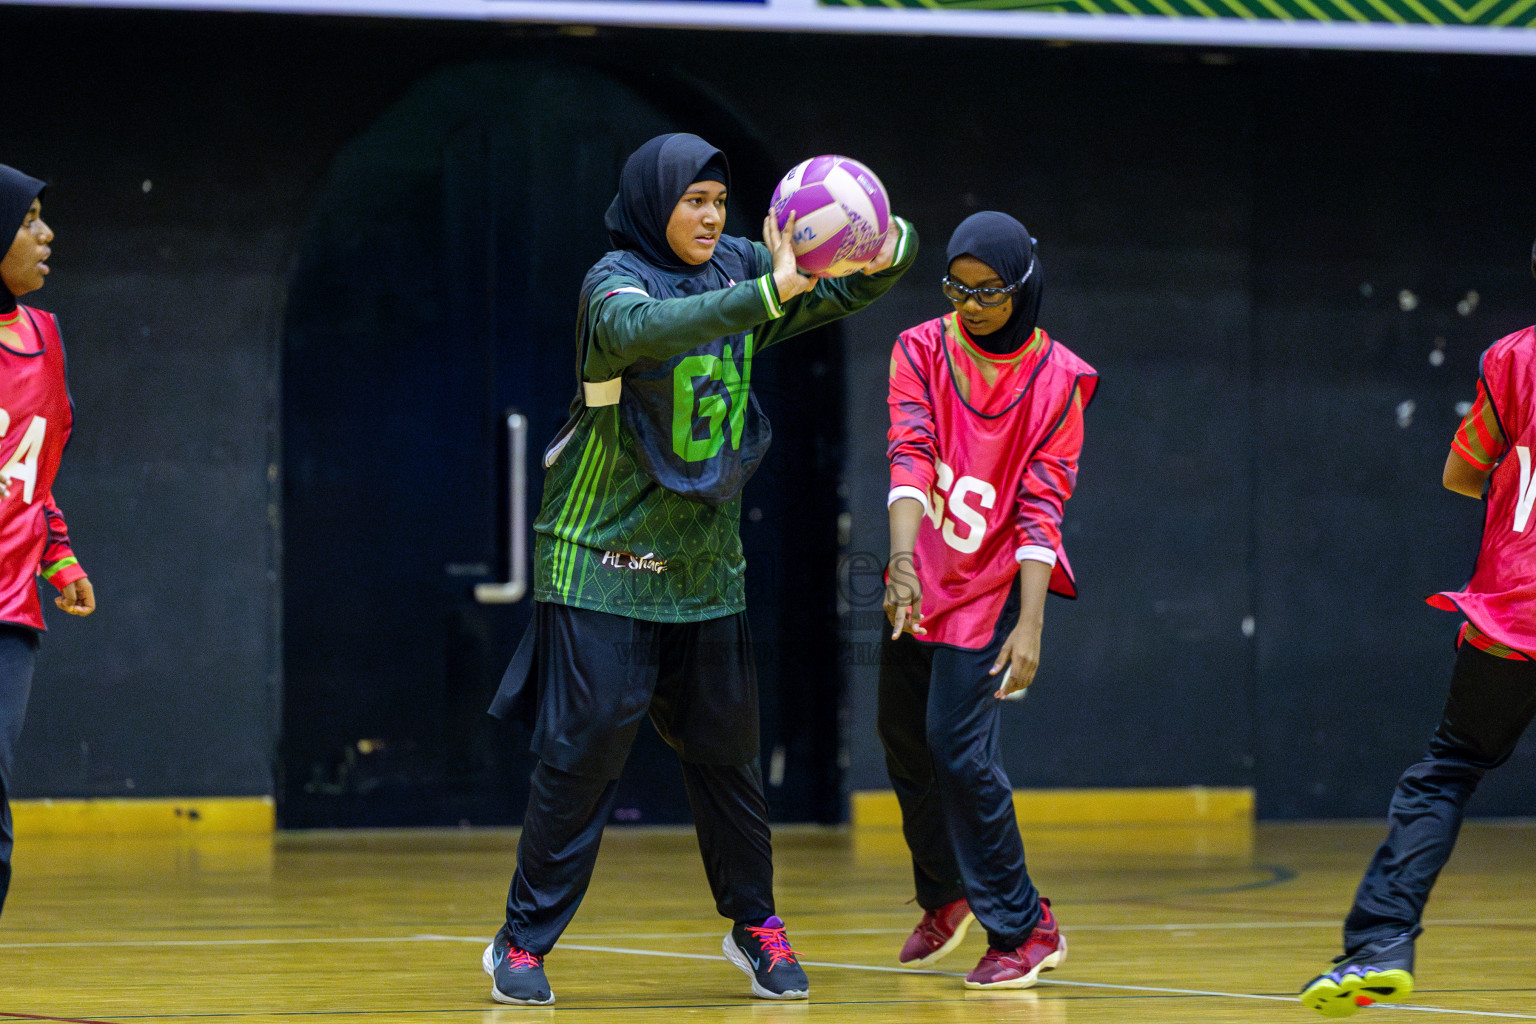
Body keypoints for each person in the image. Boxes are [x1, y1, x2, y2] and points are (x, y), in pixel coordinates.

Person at [482, 133, 917, 1006]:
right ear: (655, 204)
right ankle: (521, 943)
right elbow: (647, 331)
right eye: (694, 201)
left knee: (729, 758)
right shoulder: (614, 283)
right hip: (602, 557)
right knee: (584, 751)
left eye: (720, 202)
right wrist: (771, 288)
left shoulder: (748, 266)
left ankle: (754, 925)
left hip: (703, 566)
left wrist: (881, 239)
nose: (712, 217)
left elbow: (859, 283)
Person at [1299, 240, 1536, 1018]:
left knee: (1449, 770)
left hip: (1511, 611)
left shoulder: (1513, 358)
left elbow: (1460, 474)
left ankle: (1379, 947)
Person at [879, 211, 1095, 990]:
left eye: (989, 291)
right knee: (904, 737)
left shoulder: (1059, 380)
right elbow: (910, 454)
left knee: (959, 750)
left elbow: (1043, 506)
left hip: (997, 585)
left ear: (1024, 285)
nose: (971, 305)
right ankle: (947, 892)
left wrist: (1031, 623)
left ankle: (1026, 926)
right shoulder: (919, 349)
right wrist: (901, 560)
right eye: (957, 288)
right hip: (923, 571)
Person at [0, 164, 96, 919]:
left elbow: (36, 475)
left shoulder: (44, 336)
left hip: (7, 610)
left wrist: (57, 555)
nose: (46, 234)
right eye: (28, 220)